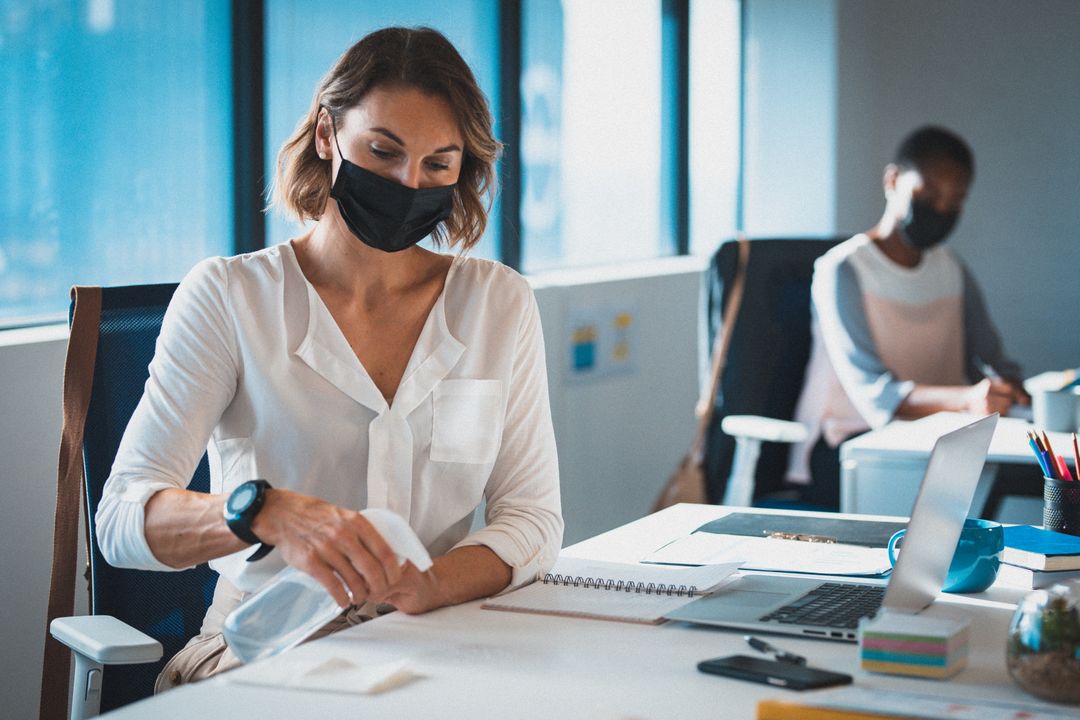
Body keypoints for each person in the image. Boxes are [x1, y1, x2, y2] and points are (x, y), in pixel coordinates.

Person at [95, 27, 563, 689]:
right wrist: (262, 511)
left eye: (438, 164)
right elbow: (119, 522)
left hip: (434, 646)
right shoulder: (231, 297)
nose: (409, 182)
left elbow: (532, 518)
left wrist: (429, 586)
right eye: (383, 150)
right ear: (326, 134)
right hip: (259, 652)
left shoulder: (499, 303)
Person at [789, 125, 1028, 510]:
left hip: (941, 439)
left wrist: (1010, 387)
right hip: (857, 446)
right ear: (893, 180)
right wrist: (968, 398)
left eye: (955, 201)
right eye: (929, 195)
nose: (941, 211)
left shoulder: (951, 268)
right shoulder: (844, 270)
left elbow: (996, 361)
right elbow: (875, 394)